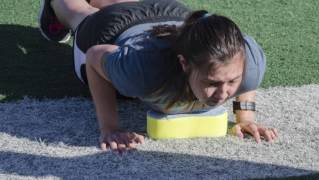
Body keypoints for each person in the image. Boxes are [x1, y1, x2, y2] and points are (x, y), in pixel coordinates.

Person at [39, 0, 278, 153]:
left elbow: (246, 75)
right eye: (212, 83)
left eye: (232, 82)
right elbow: (93, 57)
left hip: (175, 16)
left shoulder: (247, 64)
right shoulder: (144, 69)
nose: (224, 93)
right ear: (184, 63)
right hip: (113, 27)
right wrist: (110, 127)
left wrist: (244, 117)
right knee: (80, 11)